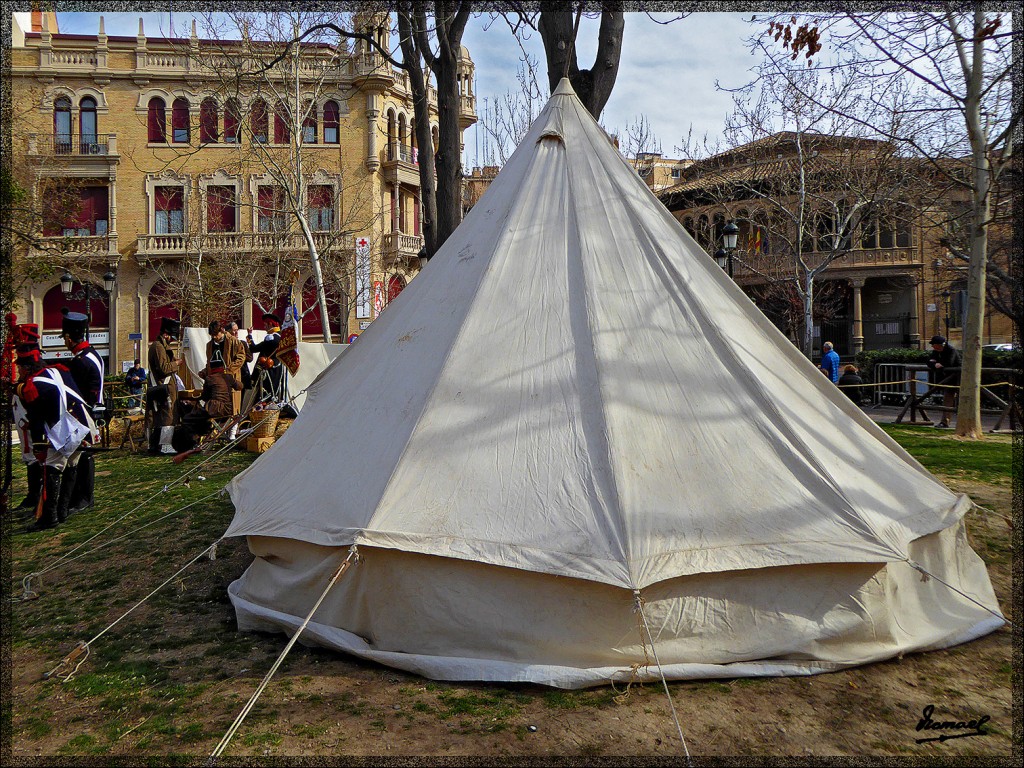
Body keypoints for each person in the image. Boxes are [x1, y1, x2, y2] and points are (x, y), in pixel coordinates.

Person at [14, 340, 96, 532]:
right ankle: (62, 512)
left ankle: (50, 517)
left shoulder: (33, 385)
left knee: (52, 468)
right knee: (71, 466)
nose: (19, 373)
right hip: (84, 424)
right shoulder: (59, 370)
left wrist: (39, 447)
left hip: (65, 430)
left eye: (20, 369)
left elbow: (36, 418)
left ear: (26, 369)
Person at [61, 309, 104, 515]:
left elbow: (76, 395)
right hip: (93, 410)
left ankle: (84, 498)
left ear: (69, 338)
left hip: (84, 412)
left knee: (83, 456)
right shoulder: (92, 354)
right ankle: (82, 497)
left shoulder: (81, 362)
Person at [204, 320, 247, 440]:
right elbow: (210, 361)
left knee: (233, 407)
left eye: (216, 335)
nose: (214, 338)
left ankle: (232, 433)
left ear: (222, 331)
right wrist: (205, 372)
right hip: (215, 381)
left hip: (228, 378)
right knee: (216, 406)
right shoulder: (209, 345)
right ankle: (218, 432)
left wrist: (229, 370)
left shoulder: (233, 341)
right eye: (212, 335)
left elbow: (241, 357)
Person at [148, 317, 184, 454]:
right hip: (164, 386)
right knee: (168, 416)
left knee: (166, 416)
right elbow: (163, 368)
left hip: (166, 386)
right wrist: (177, 363)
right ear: (166, 334)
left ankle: (157, 445)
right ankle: (164, 445)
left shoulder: (161, 346)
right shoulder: (158, 347)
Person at [247, 312, 284, 404]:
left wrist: (249, 336)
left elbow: (254, 348)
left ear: (270, 324)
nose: (264, 327)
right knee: (274, 391)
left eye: (265, 325)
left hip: (269, 369)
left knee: (266, 392)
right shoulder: (281, 336)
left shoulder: (271, 338)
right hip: (277, 368)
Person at [927, 334, 961, 429]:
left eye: (933, 344)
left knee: (963, 401)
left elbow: (949, 363)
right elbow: (929, 362)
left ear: (939, 344)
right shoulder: (935, 352)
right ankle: (945, 422)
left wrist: (939, 364)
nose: (932, 346)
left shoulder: (951, 350)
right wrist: (935, 365)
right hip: (947, 380)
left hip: (958, 379)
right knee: (947, 400)